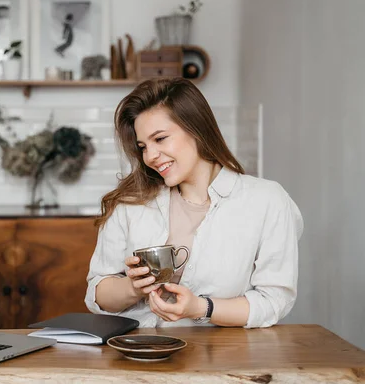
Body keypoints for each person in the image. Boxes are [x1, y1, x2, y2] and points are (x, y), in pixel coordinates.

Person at [85, 77, 303, 328]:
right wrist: (133, 287)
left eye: (160, 139)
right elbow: (97, 293)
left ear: (196, 129)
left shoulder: (267, 201)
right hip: (136, 355)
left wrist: (201, 307)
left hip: (219, 360)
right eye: (143, 146)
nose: (150, 157)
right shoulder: (130, 202)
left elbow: (274, 301)